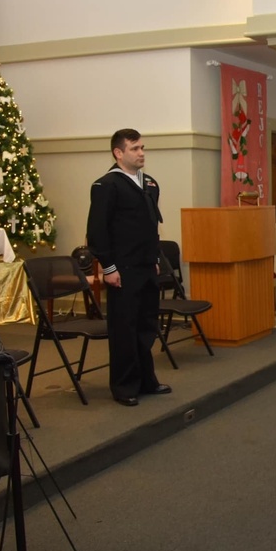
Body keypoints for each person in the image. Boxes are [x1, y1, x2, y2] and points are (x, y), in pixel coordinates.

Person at [86, 128, 170, 407]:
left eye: (142, 147)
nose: (141, 153)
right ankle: (124, 386)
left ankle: (147, 380)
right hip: (122, 269)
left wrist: (155, 260)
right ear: (118, 153)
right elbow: (97, 232)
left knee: (146, 327)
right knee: (124, 329)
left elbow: (150, 228)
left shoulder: (150, 184)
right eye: (135, 148)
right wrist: (109, 268)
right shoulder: (107, 185)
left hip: (146, 266)